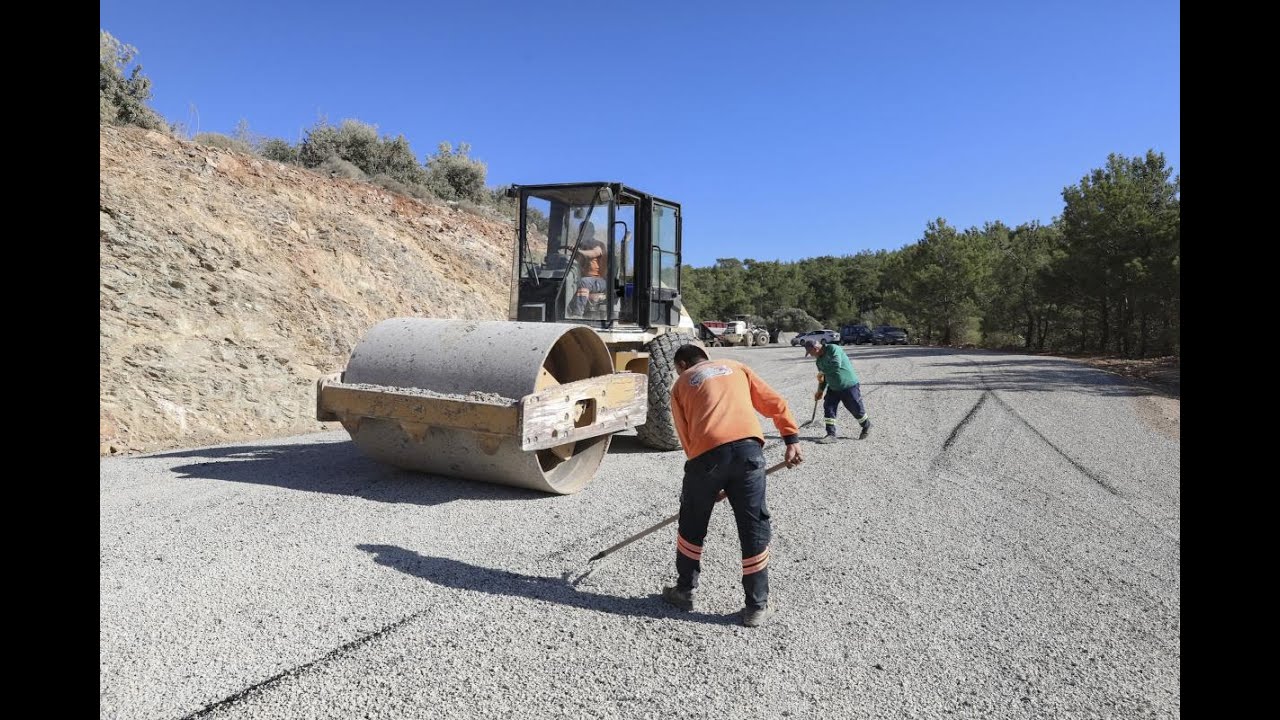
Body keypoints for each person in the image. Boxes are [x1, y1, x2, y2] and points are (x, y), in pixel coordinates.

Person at [662, 343, 804, 627]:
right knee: (754, 527)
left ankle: (685, 591)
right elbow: (774, 402)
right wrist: (791, 439)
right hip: (750, 453)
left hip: (706, 457)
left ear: (681, 365)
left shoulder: (680, 385)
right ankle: (756, 607)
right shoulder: (737, 367)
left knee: (692, 523)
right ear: (707, 358)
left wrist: (707, 481)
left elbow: (686, 434)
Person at [804, 338, 872, 443]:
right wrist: (820, 391)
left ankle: (866, 425)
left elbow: (836, 365)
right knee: (828, 407)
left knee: (855, 409)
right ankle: (831, 435)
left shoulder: (832, 348)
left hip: (848, 385)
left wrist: (823, 373)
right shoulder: (819, 361)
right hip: (833, 388)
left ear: (815, 348)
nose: (811, 355)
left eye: (810, 352)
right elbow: (824, 378)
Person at [566, 221, 607, 318]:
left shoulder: (598, 245)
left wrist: (577, 250)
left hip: (600, 281)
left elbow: (592, 254)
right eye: (582, 231)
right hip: (582, 279)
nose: (583, 233)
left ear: (592, 232)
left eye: (586, 231)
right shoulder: (580, 246)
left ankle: (577, 313)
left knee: (584, 282)